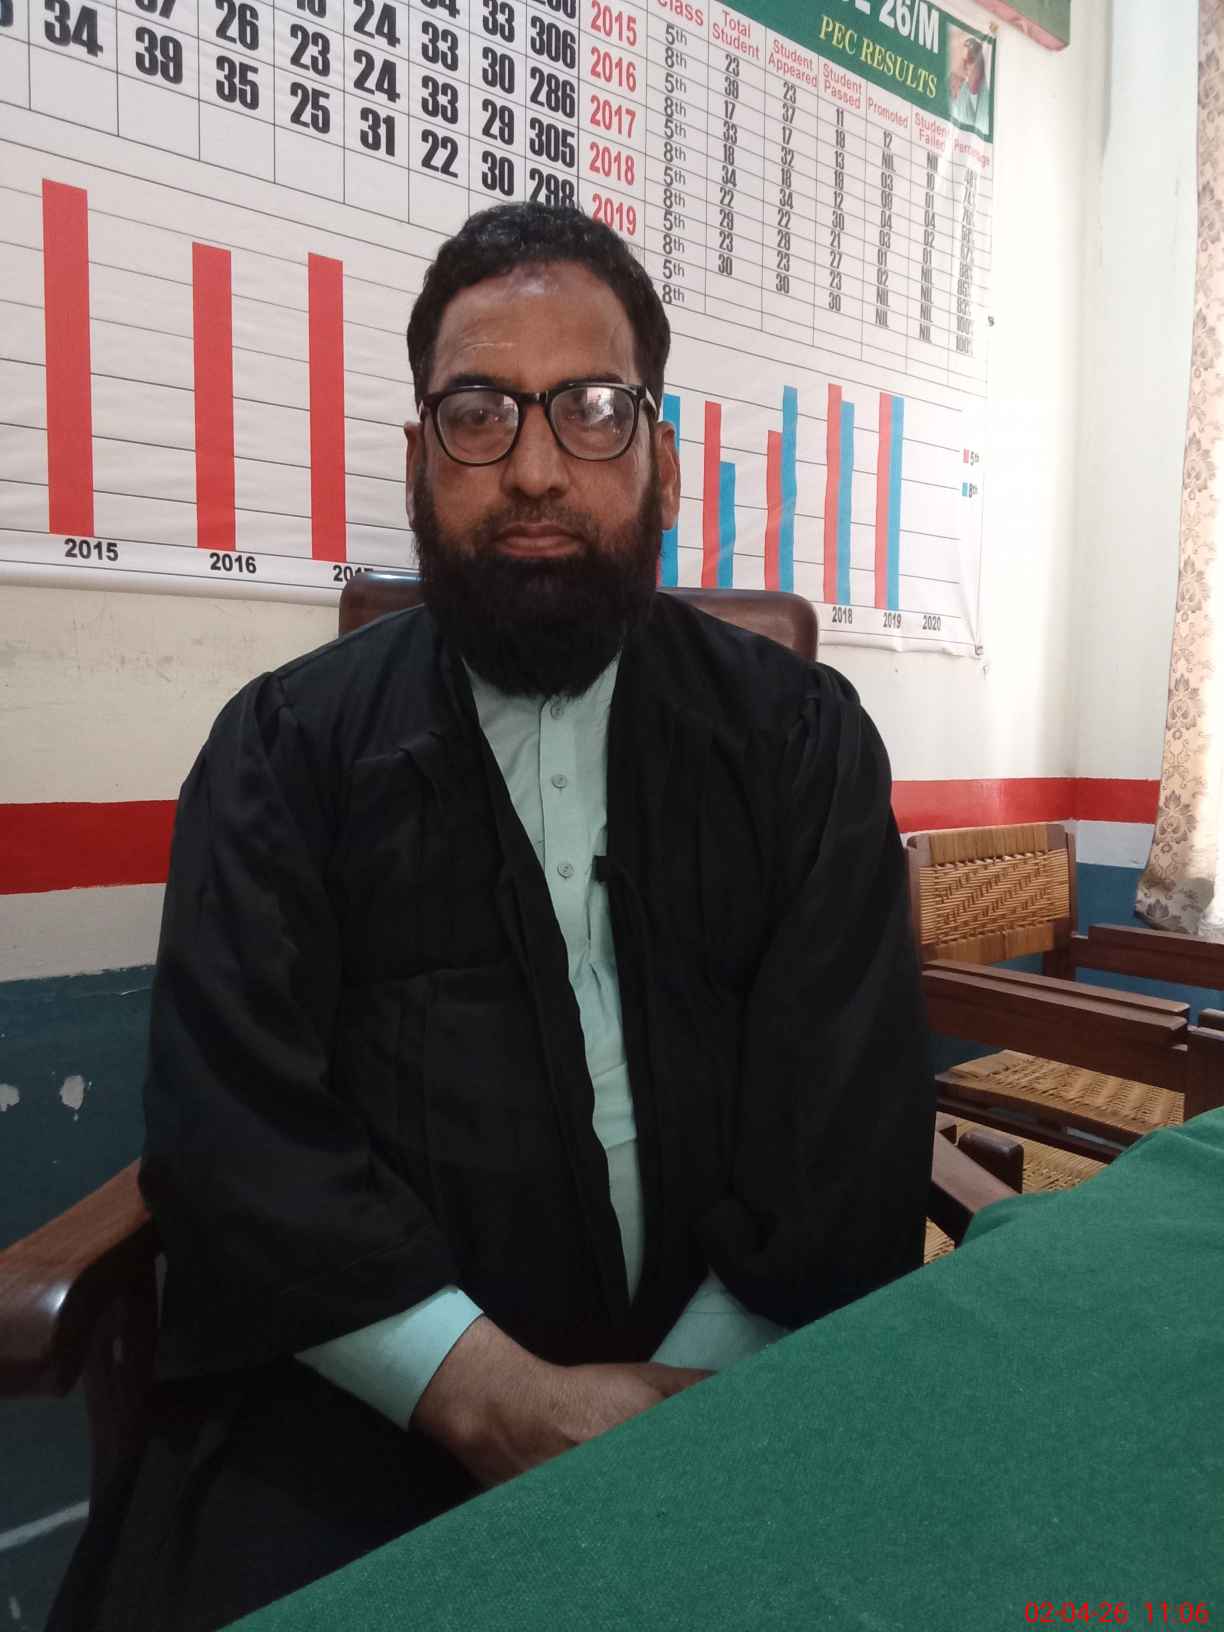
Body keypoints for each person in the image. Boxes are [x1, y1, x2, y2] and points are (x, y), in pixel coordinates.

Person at [50, 204, 933, 1631]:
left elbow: (843, 1118)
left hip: (738, 1380)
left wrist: (691, 1402)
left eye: (593, 410)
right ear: (417, 458)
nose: (532, 467)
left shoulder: (797, 744)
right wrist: (485, 1394)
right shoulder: (284, 751)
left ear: (660, 458)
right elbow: (235, 1132)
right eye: (478, 413)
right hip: (366, 1398)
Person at [950, 32, 992, 139]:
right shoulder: (961, 93)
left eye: (971, 60)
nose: (966, 66)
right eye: (964, 62)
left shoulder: (991, 97)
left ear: (981, 62)